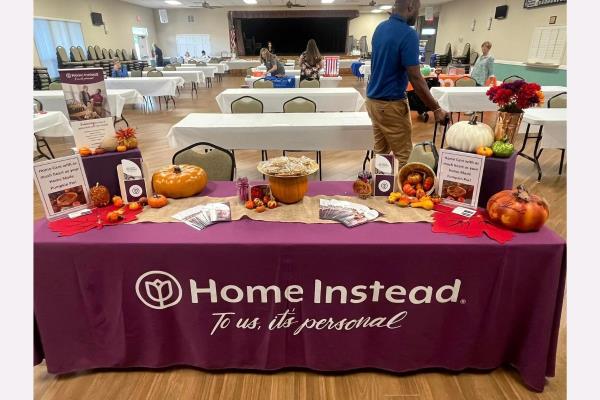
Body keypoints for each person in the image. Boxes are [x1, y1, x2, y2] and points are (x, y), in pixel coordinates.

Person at [366, 0, 448, 169]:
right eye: (418, 10)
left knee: (381, 154)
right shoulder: (408, 34)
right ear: (410, 6)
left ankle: (379, 191)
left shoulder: (380, 28)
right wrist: (436, 109)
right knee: (404, 158)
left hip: (373, 101)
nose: (418, 15)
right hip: (391, 105)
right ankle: (403, 195)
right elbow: (416, 79)